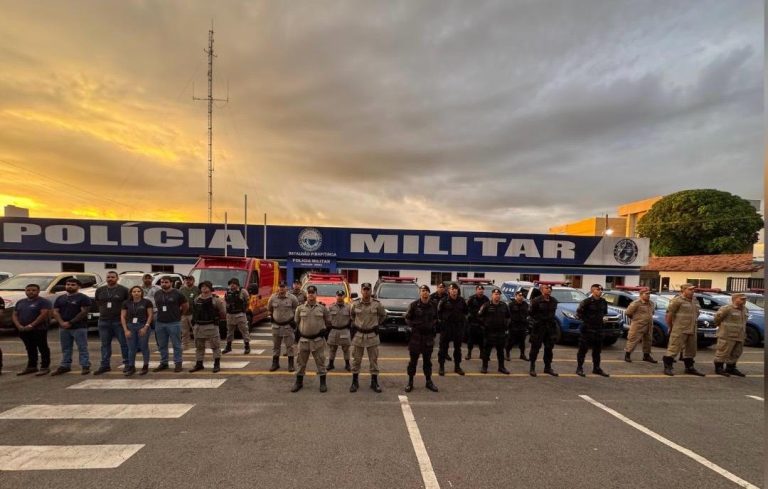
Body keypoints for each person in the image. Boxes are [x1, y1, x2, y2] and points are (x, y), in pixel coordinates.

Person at [291, 285, 331, 393]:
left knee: (321, 362)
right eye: (309, 293)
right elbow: (296, 322)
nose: (311, 295)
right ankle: (299, 382)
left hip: (318, 341)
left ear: (316, 294)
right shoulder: (300, 308)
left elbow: (328, 322)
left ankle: (323, 383)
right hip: (304, 340)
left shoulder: (322, 308)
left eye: (313, 293)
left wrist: (325, 331)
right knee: (300, 362)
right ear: (307, 294)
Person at [349, 282, 387, 393]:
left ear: (371, 291)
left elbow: (383, 315)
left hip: (372, 335)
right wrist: (358, 324)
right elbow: (352, 316)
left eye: (368, 289)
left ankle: (374, 382)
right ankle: (354, 382)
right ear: (361, 291)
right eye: (364, 289)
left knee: (373, 360)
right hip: (359, 335)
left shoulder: (377, 304)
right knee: (356, 360)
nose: (366, 291)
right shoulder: (355, 304)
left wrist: (375, 324)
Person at [51, 278, 92, 376]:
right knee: (66, 348)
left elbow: (83, 312)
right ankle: (65, 366)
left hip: (79, 327)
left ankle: (85, 365)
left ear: (78, 286)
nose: (70, 286)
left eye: (73, 285)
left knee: (82, 347)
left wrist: (70, 322)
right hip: (64, 328)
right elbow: (55, 311)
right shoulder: (60, 298)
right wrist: (61, 322)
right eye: (68, 284)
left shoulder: (83, 298)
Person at [662, 284, 704, 376]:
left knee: (691, 350)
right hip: (680, 328)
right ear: (683, 290)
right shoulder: (677, 300)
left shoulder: (694, 301)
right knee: (674, 348)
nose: (692, 291)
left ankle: (689, 367)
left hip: (692, 328)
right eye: (690, 290)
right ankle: (668, 367)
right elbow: (669, 315)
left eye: (693, 290)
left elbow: (697, 313)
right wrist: (671, 327)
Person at [94, 271, 131, 375]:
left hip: (118, 321)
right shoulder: (100, 290)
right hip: (103, 321)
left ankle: (127, 364)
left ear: (117, 278)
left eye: (113, 277)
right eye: (108, 277)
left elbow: (128, 305)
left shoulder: (124, 290)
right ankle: (105, 365)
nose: (110, 279)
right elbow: (98, 302)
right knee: (105, 345)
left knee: (124, 344)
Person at [404, 285, 439, 392]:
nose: (425, 293)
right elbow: (407, 318)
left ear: (429, 293)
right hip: (416, 338)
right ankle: (410, 382)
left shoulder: (434, 305)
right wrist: (414, 327)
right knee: (413, 362)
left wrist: (432, 326)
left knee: (427, 362)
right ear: (420, 293)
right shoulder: (414, 305)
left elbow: (436, 318)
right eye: (423, 291)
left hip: (428, 338)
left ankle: (428, 381)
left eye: (426, 291)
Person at [13, 284, 52, 376]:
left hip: (39, 329)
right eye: (28, 290)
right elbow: (15, 314)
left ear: (38, 291)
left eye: (33, 290)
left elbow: (43, 314)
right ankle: (31, 367)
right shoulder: (20, 302)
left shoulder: (43, 302)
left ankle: (45, 367)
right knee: (30, 348)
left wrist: (31, 325)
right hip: (23, 330)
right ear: (25, 291)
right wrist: (18, 325)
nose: (31, 292)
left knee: (43, 348)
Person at [153, 276, 189, 373]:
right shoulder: (157, 293)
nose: (164, 284)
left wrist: (179, 315)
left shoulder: (178, 293)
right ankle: (164, 363)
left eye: (166, 282)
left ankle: (178, 363)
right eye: (162, 282)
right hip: (160, 322)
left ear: (171, 283)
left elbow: (185, 305)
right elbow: (157, 306)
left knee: (176, 345)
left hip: (174, 323)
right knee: (162, 345)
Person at [189, 281, 226, 373]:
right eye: (202, 287)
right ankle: (199, 364)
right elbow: (194, 312)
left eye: (206, 286)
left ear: (210, 288)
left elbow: (223, 312)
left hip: (211, 326)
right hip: (199, 327)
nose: (204, 288)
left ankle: (216, 364)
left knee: (215, 347)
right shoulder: (196, 299)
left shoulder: (216, 300)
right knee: (199, 347)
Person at [575, 284, 609, 377]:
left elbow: (604, 313)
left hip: (599, 329)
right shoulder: (587, 302)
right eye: (598, 289)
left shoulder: (603, 302)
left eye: (601, 289)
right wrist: (588, 320)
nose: (600, 291)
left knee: (597, 351)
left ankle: (596, 368)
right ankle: (579, 368)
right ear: (592, 291)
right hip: (587, 329)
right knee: (583, 350)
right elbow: (579, 314)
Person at [713, 293, 748, 377]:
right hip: (727, 335)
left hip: (740, 335)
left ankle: (731, 368)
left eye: (745, 299)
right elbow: (717, 319)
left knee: (736, 353)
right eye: (742, 299)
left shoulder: (745, 309)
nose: (744, 301)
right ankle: (719, 368)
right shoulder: (727, 309)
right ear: (735, 299)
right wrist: (722, 328)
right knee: (723, 352)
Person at [267, 281, 299, 372]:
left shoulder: (292, 298)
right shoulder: (273, 298)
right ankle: (275, 363)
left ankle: (291, 364)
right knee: (276, 346)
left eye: (283, 286)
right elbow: (269, 308)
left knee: (290, 346)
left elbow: (296, 309)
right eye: (280, 286)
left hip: (288, 326)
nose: (281, 288)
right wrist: (272, 317)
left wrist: (293, 320)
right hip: (276, 326)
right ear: (278, 287)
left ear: (286, 288)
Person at [121, 286, 153, 376]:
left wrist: (145, 327)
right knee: (131, 348)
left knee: (144, 347)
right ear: (131, 293)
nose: (136, 293)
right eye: (134, 291)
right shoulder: (126, 303)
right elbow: (123, 316)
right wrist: (125, 330)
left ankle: (145, 366)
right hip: (130, 326)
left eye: (138, 291)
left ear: (141, 293)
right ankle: (131, 367)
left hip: (142, 326)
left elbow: (150, 315)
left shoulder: (147, 302)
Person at [437, 283, 468, 376]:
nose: (454, 291)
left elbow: (466, 312)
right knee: (443, 349)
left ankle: (457, 366)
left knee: (457, 349)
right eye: (452, 289)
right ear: (449, 291)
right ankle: (441, 366)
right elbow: (438, 313)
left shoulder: (462, 301)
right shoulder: (443, 301)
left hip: (458, 328)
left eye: (455, 289)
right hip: (446, 328)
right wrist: (442, 324)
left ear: (458, 291)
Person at [478, 288, 511, 374]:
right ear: (492, 295)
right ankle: (484, 367)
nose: (497, 296)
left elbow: (508, 317)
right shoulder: (486, 305)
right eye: (495, 294)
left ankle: (501, 367)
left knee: (500, 351)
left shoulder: (504, 305)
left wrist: (506, 325)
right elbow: (479, 316)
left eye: (499, 294)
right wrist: (485, 325)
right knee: (487, 351)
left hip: (501, 332)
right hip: (489, 332)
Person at [528, 284, 559, 377]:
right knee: (535, 348)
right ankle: (532, 367)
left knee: (549, 349)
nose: (549, 289)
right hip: (539, 328)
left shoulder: (554, 301)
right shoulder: (536, 301)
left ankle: (548, 367)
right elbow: (531, 314)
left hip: (550, 328)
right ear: (542, 290)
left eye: (550, 288)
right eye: (547, 288)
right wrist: (535, 324)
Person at [624, 289, 657, 363]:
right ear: (641, 295)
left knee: (648, 341)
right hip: (638, 325)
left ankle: (646, 356)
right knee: (633, 340)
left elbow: (652, 313)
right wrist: (635, 319)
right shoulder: (636, 303)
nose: (648, 295)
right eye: (646, 294)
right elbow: (628, 312)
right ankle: (627, 355)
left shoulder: (651, 303)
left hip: (648, 325)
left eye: (649, 294)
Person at [222, 278, 251, 355]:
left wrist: (245, 310)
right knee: (229, 331)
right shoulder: (228, 292)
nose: (232, 285)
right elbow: (226, 301)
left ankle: (247, 346)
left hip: (240, 314)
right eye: (231, 284)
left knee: (244, 331)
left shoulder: (243, 291)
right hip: (230, 315)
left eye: (234, 284)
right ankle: (228, 346)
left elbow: (248, 301)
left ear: (237, 284)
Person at [327, 290, 352, 371]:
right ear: (336, 296)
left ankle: (347, 364)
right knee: (332, 349)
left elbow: (353, 318)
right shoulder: (331, 307)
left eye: (341, 295)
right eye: (338, 295)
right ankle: (331, 364)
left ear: (344, 297)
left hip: (344, 330)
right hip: (334, 330)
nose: (339, 297)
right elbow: (327, 319)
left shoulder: (349, 307)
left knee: (346, 349)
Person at [465, 285, 489, 360]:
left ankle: (481, 354)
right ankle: (469, 353)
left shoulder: (486, 299)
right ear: (476, 290)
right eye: (479, 289)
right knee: (470, 340)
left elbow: (488, 311)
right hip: (472, 323)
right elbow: (466, 309)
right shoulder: (471, 299)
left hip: (482, 323)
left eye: (482, 289)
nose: (480, 290)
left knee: (481, 340)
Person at [430, 283, 451, 361]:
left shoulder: (447, 297)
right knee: (431, 338)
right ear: (437, 287)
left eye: (443, 287)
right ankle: (430, 353)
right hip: (434, 321)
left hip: (444, 321)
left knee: (445, 339)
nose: (441, 288)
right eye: (440, 287)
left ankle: (445, 353)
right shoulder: (432, 297)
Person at [505, 290, 529, 361]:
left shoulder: (525, 304)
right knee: (511, 341)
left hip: (522, 326)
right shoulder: (511, 305)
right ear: (516, 296)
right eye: (519, 296)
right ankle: (507, 354)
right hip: (514, 326)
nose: (521, 297)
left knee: (522, 342)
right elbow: (507, 315)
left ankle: (522, 354)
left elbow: (527, 314)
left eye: (522, 296)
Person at [179, 275, 200, 351]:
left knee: (196, 331)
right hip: (183, 314)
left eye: (190, 280)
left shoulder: (197, 289)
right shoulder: (181, 289)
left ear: (193, 281)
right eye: (186, 280)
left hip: (193, 313)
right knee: (184, 332)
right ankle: (185, 345)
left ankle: (198, 346)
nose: (188, 281)